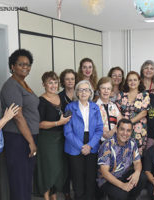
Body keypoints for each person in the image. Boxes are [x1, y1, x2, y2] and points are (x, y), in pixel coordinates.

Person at [0, 49, 39, 200]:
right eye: (21, 64)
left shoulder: (22, 83)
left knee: (25, 179)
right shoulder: (11, 86)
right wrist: (31, 142)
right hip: (18, 139)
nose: (25, 67)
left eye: (28, 64)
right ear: (12, 67)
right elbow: (18, 117)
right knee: (19, 181)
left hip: (27, 137)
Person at [64, 80, 103, 200]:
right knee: (77, 177)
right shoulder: (70, 107)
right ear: (77, 92)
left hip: (92, 143)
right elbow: (67, 130)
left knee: (91, 177)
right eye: (80, 90)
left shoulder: (95, 107)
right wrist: (81, 146)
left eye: (86, 89)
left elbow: (99, 129)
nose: (83, 92)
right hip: (75, 144)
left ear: (90, 92)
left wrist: (89, 146)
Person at [35, 71, 71, 200]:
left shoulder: (61, 98)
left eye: (55, 82)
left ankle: (54, 196)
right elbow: (40, 124)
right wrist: (58, 122)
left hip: (61, 139)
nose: (53, 85)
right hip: (47, 140)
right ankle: (46, 197)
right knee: (48, 169)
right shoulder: (41, 100)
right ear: (44, 84)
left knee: (58, 170)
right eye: (50, 83)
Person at [97, 118, 147, 200]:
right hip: (107, 180)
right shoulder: (107, 145)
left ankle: (131, 197)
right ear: (116, 129)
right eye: (122, 129)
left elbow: (137, 162)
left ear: (131, 132)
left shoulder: (132, 142)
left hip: (123, 174)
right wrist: (123, 185)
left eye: (128, 131)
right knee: (122, 195)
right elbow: (105, 173)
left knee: (142, 176)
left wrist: (137, 173)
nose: (125, 133)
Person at [116, 71, 150, 155]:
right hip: (123, 129)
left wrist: (129, 123)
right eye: (130, 80)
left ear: (139, 81)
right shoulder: (121, 95)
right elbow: (117, 111)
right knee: (123, 153)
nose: (132, 82)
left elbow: (144, 112)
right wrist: (124, 125)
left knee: (137, 154)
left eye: (135, 80)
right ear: (127, 82)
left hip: (139, 129)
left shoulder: (144, 95)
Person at [59, 69, 77, 200]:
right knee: (65, 166)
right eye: (67, 79)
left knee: (76, 167)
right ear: (63, 81)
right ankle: (66, 193)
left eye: (72, 78)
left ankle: (78, 191)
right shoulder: (58, 97)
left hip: (80, 136)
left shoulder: (81, 94)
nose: (70, 81)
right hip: (63, 135)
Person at [95, 77, 122, 142]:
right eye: (103, 88)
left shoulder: (114, 106)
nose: (106, 91)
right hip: (99, 142)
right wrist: (105, 134)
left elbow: (120, 121)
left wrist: (112, 131)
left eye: (108, 89)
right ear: (99, 90)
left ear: (111, 91)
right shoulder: (94, 107)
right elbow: (95, 125)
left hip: (114, 141)